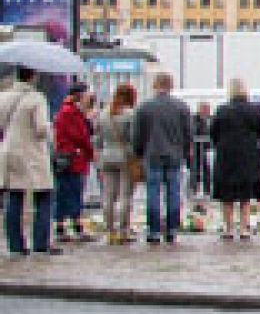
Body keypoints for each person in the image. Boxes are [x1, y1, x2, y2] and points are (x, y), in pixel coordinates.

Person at [1, 67, 60, 257]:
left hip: (9, 150)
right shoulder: (37, 98)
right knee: (44, 194)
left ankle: (15, 246)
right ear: (33, 76)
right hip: (32, 153)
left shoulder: (4, 97)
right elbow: (41, 129)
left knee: (14, 196)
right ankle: (40, 243)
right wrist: (51, 126)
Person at [131, 71, 192, 245]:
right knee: (173, 192)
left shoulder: (144, 107)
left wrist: (139, 152)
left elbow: (138, 135)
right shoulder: (181, 107)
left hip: (152, 154)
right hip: (174, 155)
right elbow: (188, 133)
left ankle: (154, 230)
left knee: (153, 192)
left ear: (155, 85)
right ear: (171, 85)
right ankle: (172, 229)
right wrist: (186, 151)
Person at [209, 79, 260, 239]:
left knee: (227, 195)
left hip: (226, 157)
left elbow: (213, 132)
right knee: (245, 195)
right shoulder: (254, 110)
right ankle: (243, 228)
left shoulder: (222, 110)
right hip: (248, 157)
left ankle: (228, 229)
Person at [52, 82, 96, 244]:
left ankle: (63, 226)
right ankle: (74, 226)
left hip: (69, 157)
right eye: (85, 94)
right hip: (74, 158)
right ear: (79, 95)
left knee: (65, 192)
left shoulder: (68, 111)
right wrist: (91, 153)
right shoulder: (71, 112)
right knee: (73, 193)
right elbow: (82, 136)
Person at [95, 83, 139, 245]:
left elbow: (97, 139)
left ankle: (109, 231)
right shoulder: (130, 114)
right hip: (125, 157)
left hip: (107, 156)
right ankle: (123, 230)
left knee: (108, 196)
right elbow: (134, 138)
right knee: (125, 195)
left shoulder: (103, 113)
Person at [189, 101, 214, 197]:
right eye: (204, 109)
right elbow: (193, 132)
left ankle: (207, 190)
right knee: (195, 169)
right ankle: (194, 189)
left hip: (208, 149)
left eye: (207, 109)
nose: (206, 111)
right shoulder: (194, 119)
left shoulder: (211, 119)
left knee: (207, 170)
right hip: (196, 149)